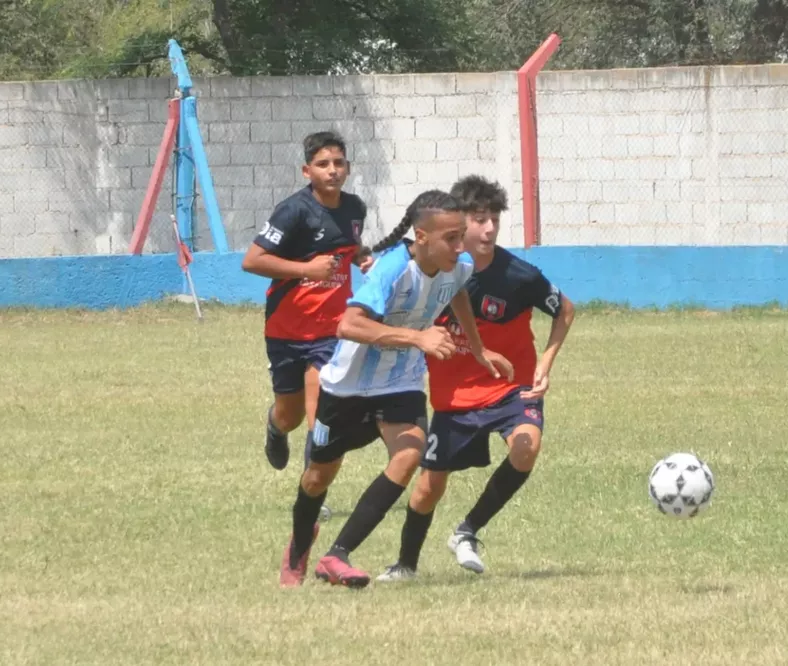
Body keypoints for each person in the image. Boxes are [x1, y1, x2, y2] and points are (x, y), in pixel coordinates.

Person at [278, 189, 514, 589]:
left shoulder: (459, 265)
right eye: (451, 239)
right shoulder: (391, 269)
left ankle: (337, 555)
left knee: (409, 455)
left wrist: (477, 348)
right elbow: (348, 325)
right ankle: (299, 550)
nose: (462, 246)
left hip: (399, 382)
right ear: (421, 237)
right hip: (348, 386)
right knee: (318, 477)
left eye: (462, 235)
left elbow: (455, 290)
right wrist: (417, 337)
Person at [375, 175, 575, 582]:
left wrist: (545, 365)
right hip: (455, 396)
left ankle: (467, 531)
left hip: (510, 386)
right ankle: (406, 565)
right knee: (428, 489)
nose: (489, 229)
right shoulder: (432, 269)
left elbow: (566, 311)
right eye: (479, 219)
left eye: (495, 219)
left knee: (526, 446)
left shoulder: (518, 275)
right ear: (457, 223)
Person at [241, 131, 373, 524]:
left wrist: (361, 258)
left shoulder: (354, 208)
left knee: (322, 416)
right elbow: (252, 260)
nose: (333, 170)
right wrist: (306, 270)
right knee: (291, 414)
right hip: (286, 329)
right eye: (323, 164)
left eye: (339, 163)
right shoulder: (292, 212)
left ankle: (313, 491)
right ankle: (274, 426)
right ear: (307, 170)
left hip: (332, 331)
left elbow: (347, 247)